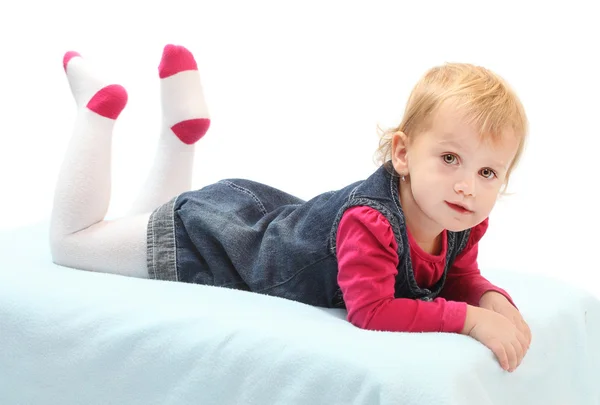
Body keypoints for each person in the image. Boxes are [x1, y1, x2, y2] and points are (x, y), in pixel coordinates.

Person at [50, 44, 532, 372]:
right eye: (450, 159)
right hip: (212, 245)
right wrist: (468, 319)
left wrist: (492, 301)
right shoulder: (372, 222)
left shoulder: (459, 221)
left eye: (488, 173)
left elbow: (459, 276)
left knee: (144, 221)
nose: (468, 187)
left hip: (250, 216)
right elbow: (372, 310)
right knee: (73, 243)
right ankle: (95, 112)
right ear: (402, 154)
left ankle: (181, 133)